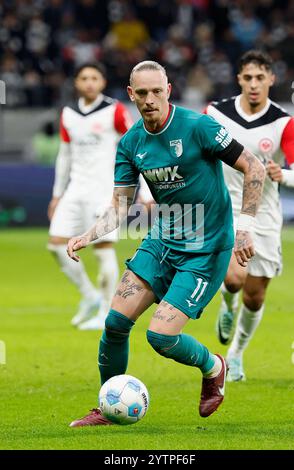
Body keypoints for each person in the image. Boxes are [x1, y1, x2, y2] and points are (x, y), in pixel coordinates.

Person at [66, 60, 265, 427]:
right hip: (162, 241)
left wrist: (246, 226)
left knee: (160, 336)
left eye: (157, 91)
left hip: (205, 250)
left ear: (168, 91)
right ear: (131, 95)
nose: (149, 100)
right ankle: (109, 406)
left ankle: (213, 365)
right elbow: (121, 205)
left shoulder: (198, 126)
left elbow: (253, 166)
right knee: (114, 323)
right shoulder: (130, 143)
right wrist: (88, 235)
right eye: (141, 93)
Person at [205, 50, 294, 381]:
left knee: (256, 296)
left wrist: (283, 174)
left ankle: (237, 355)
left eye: (261, 77)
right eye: (248, 78)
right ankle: (227, 305)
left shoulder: (283, 122)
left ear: (271, 80)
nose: (254, 84)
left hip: (265, 216)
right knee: (233, 279)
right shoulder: (216, 114)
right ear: (239, 80)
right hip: (225, 210)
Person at [48, 62, 133, 330]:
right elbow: (65, 155)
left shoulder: (114, 110)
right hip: (75, 190)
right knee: (55, 245)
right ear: (76, 82)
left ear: (103, 82)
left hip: (104, 190)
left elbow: (133, 145)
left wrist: (137, 185)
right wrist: (56, 194)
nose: (89, 82)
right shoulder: (68, 113)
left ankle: (106, 312)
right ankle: (90, 295)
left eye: (94, 77)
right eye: (84, 78)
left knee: (103, 251)